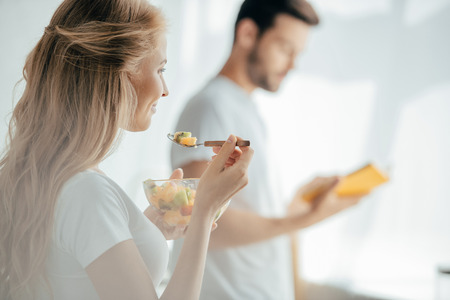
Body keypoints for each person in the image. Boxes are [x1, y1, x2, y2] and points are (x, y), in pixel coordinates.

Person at [0, 0, 253, 299]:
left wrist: (150, 229)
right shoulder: (87, 191)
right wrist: (204, 211)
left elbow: (75, 272)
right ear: (120, 72)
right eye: (160, 69)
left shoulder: (52, 177)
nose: (165, 88)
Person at [170, 0, 366, 299]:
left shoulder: (247, 110)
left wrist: (296, 207)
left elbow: (242, 212)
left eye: (297, 54)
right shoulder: (211, 107)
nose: (293, 64)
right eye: (286, 49)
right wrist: (306, 219)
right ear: (248, 33)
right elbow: (198, 216)